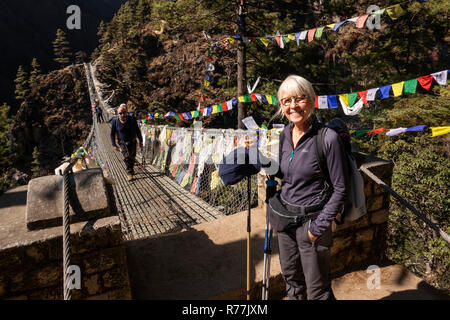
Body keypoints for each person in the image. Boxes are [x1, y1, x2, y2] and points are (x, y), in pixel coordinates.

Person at [271, 75, 349, 300]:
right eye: (286, 101)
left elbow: (340, 189)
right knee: (292, 283)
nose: (293, 106)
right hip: (285, 221)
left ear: (312, 101)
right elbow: (288, 174)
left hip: (312, 222)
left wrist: (317, 229)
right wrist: (256, 161)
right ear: (281, 106)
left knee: (318, 291)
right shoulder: (285, 135)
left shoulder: (327, 139)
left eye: (299, 99)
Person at [110, 104, 143, 181]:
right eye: (120, 113)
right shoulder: (115, 121)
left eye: (124, 112)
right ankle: (129, 173)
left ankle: (131, 169)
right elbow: (112, 133)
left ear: (127, 112)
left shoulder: (132, 119)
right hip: (122, 142)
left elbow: (137, 130)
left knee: (133, 156)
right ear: (117, 114)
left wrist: (141, 140)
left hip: (133, 141)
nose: (122, 115)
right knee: (127, 157)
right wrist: (113, 144)